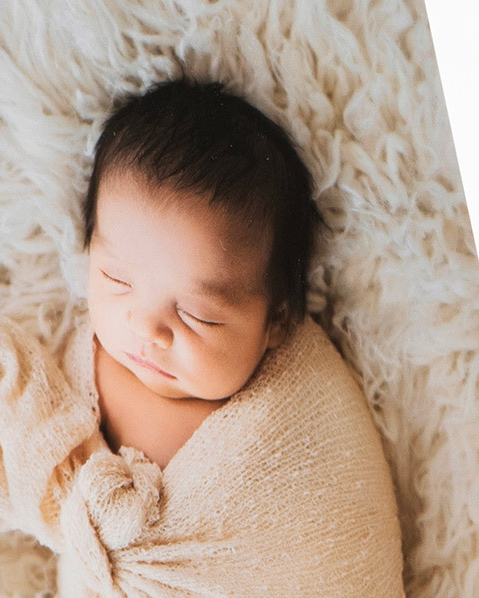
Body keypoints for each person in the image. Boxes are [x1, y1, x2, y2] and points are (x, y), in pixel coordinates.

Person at [77, 77, 321, 468]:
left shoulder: (282, 417)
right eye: (117, 280)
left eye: (198, 315)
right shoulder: (72, 361)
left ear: (277, 318)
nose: (147, 328)